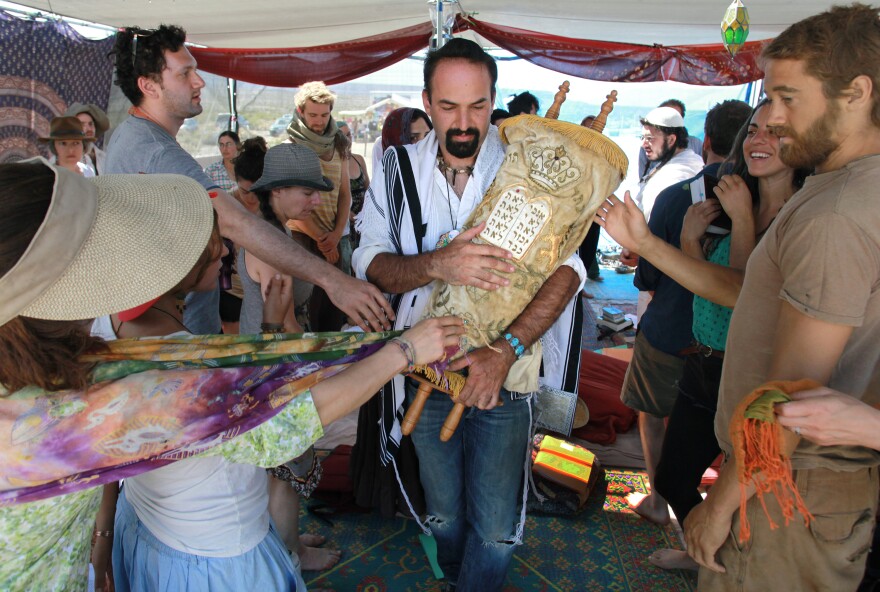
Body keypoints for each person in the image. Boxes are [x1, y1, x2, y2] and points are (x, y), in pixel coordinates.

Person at [0, 159, 463, 591]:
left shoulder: (74, 358)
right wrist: (404, 350)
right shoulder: (76, 411)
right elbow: (274, 425)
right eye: (98, 246)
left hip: (144, 532)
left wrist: (102, 534)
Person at [602, 5, 880, 589]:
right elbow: (745, 289)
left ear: (856, 93)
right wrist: (647, 244)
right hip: (787, 481)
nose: (772, 120)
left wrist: (721, 505)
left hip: (783, 492)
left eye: (787, 98)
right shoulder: (842, 188)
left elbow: (788, 396)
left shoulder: (836, 213)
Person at [354, 38, 584, 592]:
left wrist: (506, 352)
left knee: (499, 527)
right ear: (427, 103)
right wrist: (440, 263)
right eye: (450, 107)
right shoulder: (396, 169)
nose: (464, 123)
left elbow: (569, 270)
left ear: (494, 100)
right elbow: (371, 262)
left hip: (504, 372)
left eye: (478, 106)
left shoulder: (526, 167)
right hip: (424, 366)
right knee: (443, 515)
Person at [104, 25, 391, 336]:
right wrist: (334, 281)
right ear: (149, 86)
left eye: (195, 71)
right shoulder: (156, 151)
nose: (199, 81)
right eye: (185, 74)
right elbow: (235, 222)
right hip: (174, 337)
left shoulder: (131, 137)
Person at [617, 99, 753, 531]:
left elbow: (649, 278)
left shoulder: (678, 196)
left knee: (654, 414)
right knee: (725, 440)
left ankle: (661, 501)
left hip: (673, 329)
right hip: (732, 349)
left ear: (704, 140)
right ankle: (711, 508)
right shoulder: (774, 206)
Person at [285, 81, 353, 330]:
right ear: (301, 111)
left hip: (332, 240)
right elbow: (291, 202)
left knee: (333, 309)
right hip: (302, 237)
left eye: (325, 115)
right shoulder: (292, 147)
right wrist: (323, 238)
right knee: (306, 310)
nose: (319, 121)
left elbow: (344, 194)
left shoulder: (339, 143)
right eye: (313, 114)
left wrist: (335, 235)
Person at [637, 99, 704, 178]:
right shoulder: (647, 148)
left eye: (649, 138)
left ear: (671, 139)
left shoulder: (695, 146)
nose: (644, 144)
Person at [369, 107, 433, 180]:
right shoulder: (383, 182)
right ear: (396, 139)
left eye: (427, 136)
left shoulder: (436, 169)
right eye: (413, 138)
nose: (423, 143)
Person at [578, 114, 603, 291]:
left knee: (589, 250)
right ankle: (576, 285)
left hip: (594, 211)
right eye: (588, 127)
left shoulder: (604, 155)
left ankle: (581, 285)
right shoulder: (574, 151)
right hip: (576, 212)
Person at [338, 121, 370, 247]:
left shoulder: (359, 159)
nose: (347, 139)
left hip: (363, 221)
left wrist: (366, 214)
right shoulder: (333, 163)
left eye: (349, 134)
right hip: (344, 222)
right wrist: (349, 215)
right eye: (342, 136)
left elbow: (369, 189)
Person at [64, 103, 110, 175]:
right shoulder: (63, 158)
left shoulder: (104, 157)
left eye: (90, 124)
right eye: (82, 124)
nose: (88, 129)